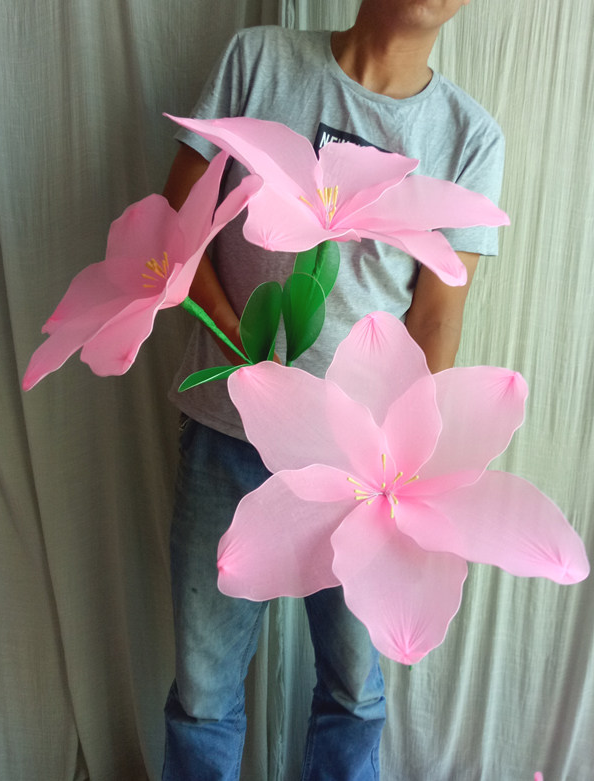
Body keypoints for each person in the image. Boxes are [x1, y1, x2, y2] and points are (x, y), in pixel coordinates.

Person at [161, 1, 505, 778]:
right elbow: (181, 219)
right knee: (204, 686)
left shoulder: (468, 136)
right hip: (227, 432)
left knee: (353, 684)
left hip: (363, 474)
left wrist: (404, 469)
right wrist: (246, 354)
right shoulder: (258, 61)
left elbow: (437, 316)